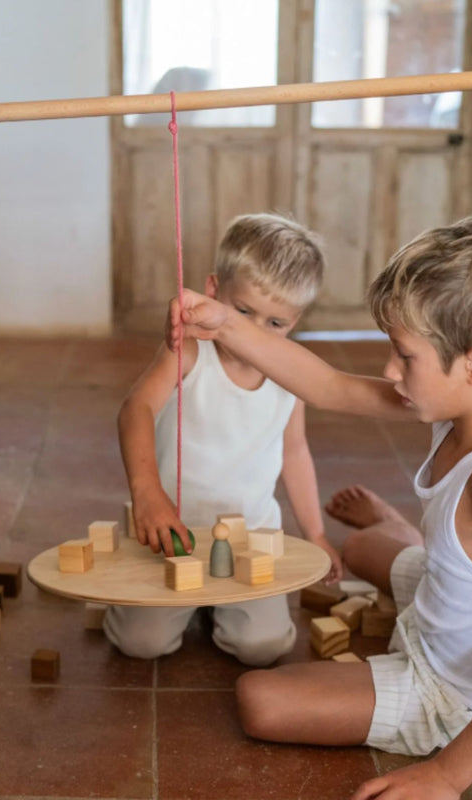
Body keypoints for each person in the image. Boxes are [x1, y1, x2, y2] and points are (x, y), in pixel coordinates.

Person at [166, 213, 472, 799]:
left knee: (260, 699)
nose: (389, 370)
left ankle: (422, 551)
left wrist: (447, 775)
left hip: (459, 694)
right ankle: (417, 541)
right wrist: (225, 323)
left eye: (404, 356)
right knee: (357, 546)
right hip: (444, 605)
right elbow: (328, 386)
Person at [104, 212, 342, 667]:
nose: (253, 332)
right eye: (244, 312)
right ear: (213, 291)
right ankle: (140, 601)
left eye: (275, 323)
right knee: (142, 644)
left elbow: (295, 452)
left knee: (264, 648)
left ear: (295, 320)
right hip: (171, 534)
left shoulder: (292, 374)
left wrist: (315, 534)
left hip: (250, 537)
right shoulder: (189, 351)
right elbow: (135, 409)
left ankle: (214, 604)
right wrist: (147, 492)